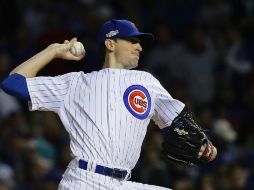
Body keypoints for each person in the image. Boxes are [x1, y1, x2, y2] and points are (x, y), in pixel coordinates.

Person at [1, 19, 217, 190]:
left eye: (139, 42)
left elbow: (179, 125)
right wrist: (53, 51)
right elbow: (13, 83)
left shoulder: (146, 82)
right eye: (132, 41)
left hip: (122, 182)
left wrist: (203, 145)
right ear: (110, 43)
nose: (139, 47)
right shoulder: (75, 83)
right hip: (84, 181)